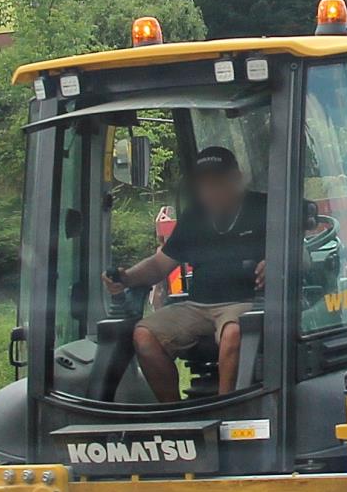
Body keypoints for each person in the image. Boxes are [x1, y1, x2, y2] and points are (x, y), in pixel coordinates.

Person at [103, 146, 266, 400]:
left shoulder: (264, 208)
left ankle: (225, 411)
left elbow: (302, 256)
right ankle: (175, 415)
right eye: (203, 185)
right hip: (197, 307)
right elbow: (160, 264)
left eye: (216, 182)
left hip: (246, 303)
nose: (209, 191)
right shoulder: (195, 216)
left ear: (235, 178)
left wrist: (276, 262)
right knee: (145, 334)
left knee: (233, 332)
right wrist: (126, 278)